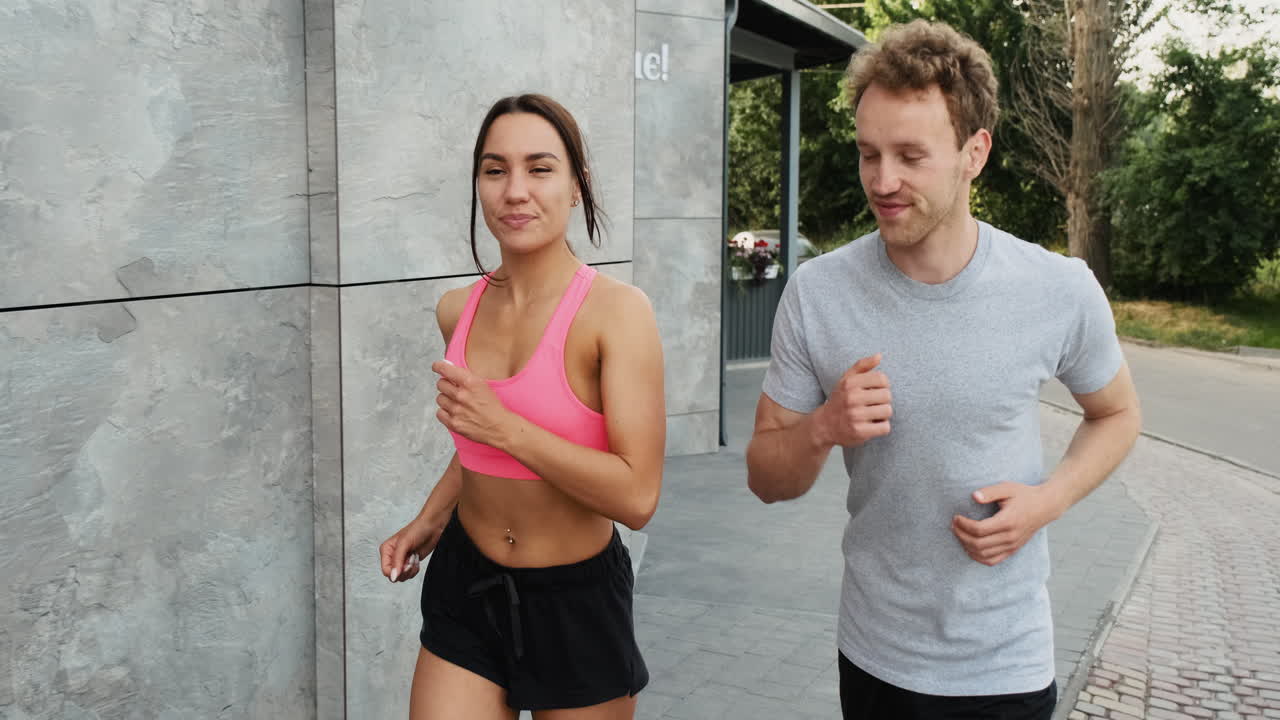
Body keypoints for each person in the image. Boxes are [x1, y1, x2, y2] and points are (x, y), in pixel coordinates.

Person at [745, 20, 1142, 720]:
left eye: (909, 155)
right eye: (869, 154)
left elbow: (1116, 414)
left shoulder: (1058, 288)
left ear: (974, 152)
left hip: (1005, 666)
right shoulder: (820, 290)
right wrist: (823, 428)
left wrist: (1045, 503)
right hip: (874, 659)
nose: (883, 181)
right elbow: (765, 477)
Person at [379, 94, 665, 720]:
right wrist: (429, 519)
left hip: (577, 602)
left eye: (539, 168)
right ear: (478, 186)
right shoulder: (457, 311)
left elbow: (637, 498)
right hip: (467, 585)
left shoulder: (617, 315)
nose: (516, 191)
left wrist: (507, 428)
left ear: (575, 185)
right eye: (494, 169)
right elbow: (478, 446)